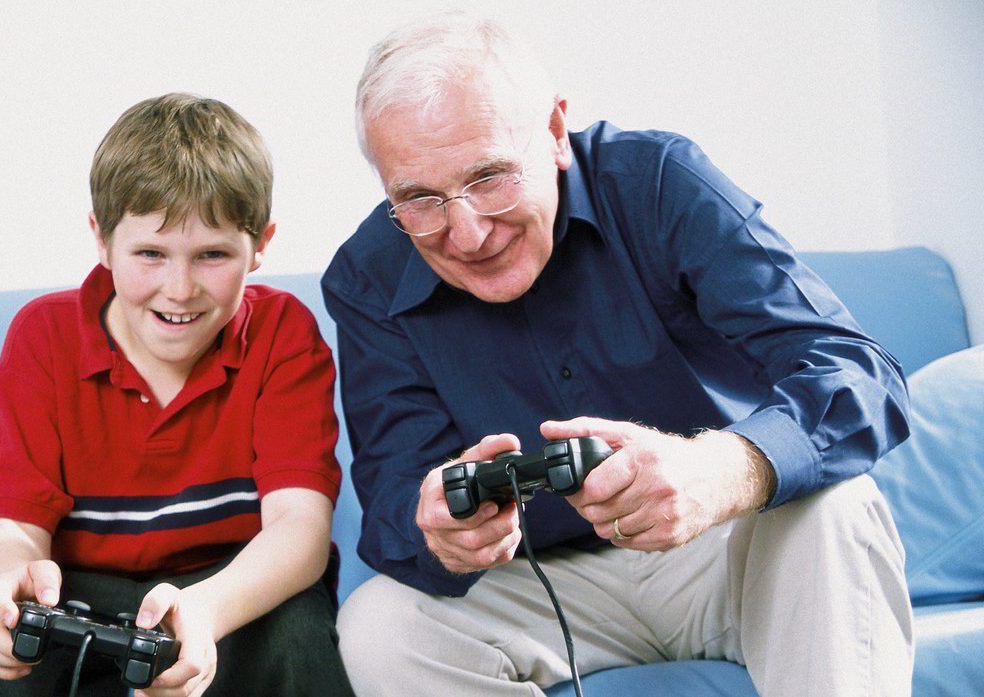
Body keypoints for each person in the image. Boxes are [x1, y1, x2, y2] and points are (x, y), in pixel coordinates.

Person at [323, 12, 914, 697]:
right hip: (540, 585)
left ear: (552, 135)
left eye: (489, 177)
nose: (467, 232)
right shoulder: (366, 276)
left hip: (722, 546)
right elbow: (396, 499)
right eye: (420, 199)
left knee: (837, 505)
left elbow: (859, 374)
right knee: (378, 624)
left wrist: (721, 469)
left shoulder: (659, 181)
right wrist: (435, 526)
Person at [0, 93, 355, 697]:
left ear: (261, 245)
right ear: (101, 239)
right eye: (150, 253)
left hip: (230, 599)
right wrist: (8, 588)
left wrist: (204, 614)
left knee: (295, 637)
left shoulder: (283, 333)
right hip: (75, 597)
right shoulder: (43, 337)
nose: (180, 289)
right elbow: (11, 524)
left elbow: (298, 528)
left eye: (213, 255)